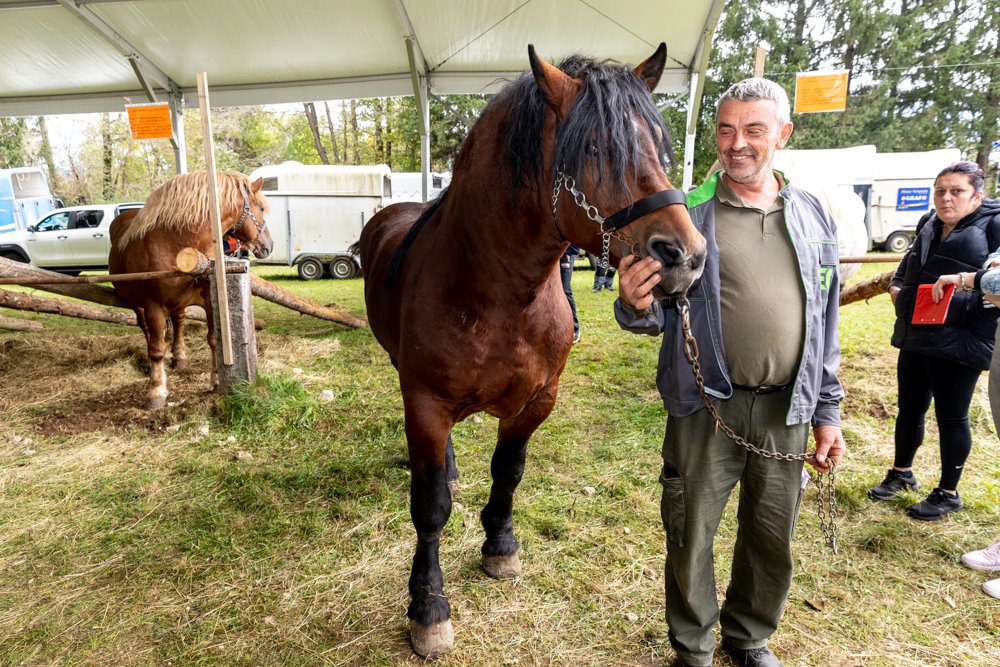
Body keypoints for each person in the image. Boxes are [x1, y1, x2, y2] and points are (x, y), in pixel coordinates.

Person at [616, 78, 844, 667]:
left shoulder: (813, 214)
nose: (736, 143)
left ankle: (749, 638)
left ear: (783, 135)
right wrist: (631, 306)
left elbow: (825, 321)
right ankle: (693, 646)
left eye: (753, 130)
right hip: (704, 406)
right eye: (725, 129)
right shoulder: (687, 215)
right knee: (690, 533)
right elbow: (651, 316)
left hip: (786, 409)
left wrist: (827, 412)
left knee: (772, 536)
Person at [869, 162, 1000, 520]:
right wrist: (897, 286)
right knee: (909, 406)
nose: (946, 198)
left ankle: (947, 492)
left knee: (952, 416)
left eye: (956, 191)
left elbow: (995, 282)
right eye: (940, 191)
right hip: (918, 330)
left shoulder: (994, 223)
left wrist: (965, 302)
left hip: (962, 337)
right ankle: (901, 473)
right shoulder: (929, 222)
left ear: (977, 194)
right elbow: (909, 260)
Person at [560, 244, 581, 343]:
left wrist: (569, 252)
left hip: (566, 253)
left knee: (565, 289)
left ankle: (574, 328)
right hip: (552, 253)